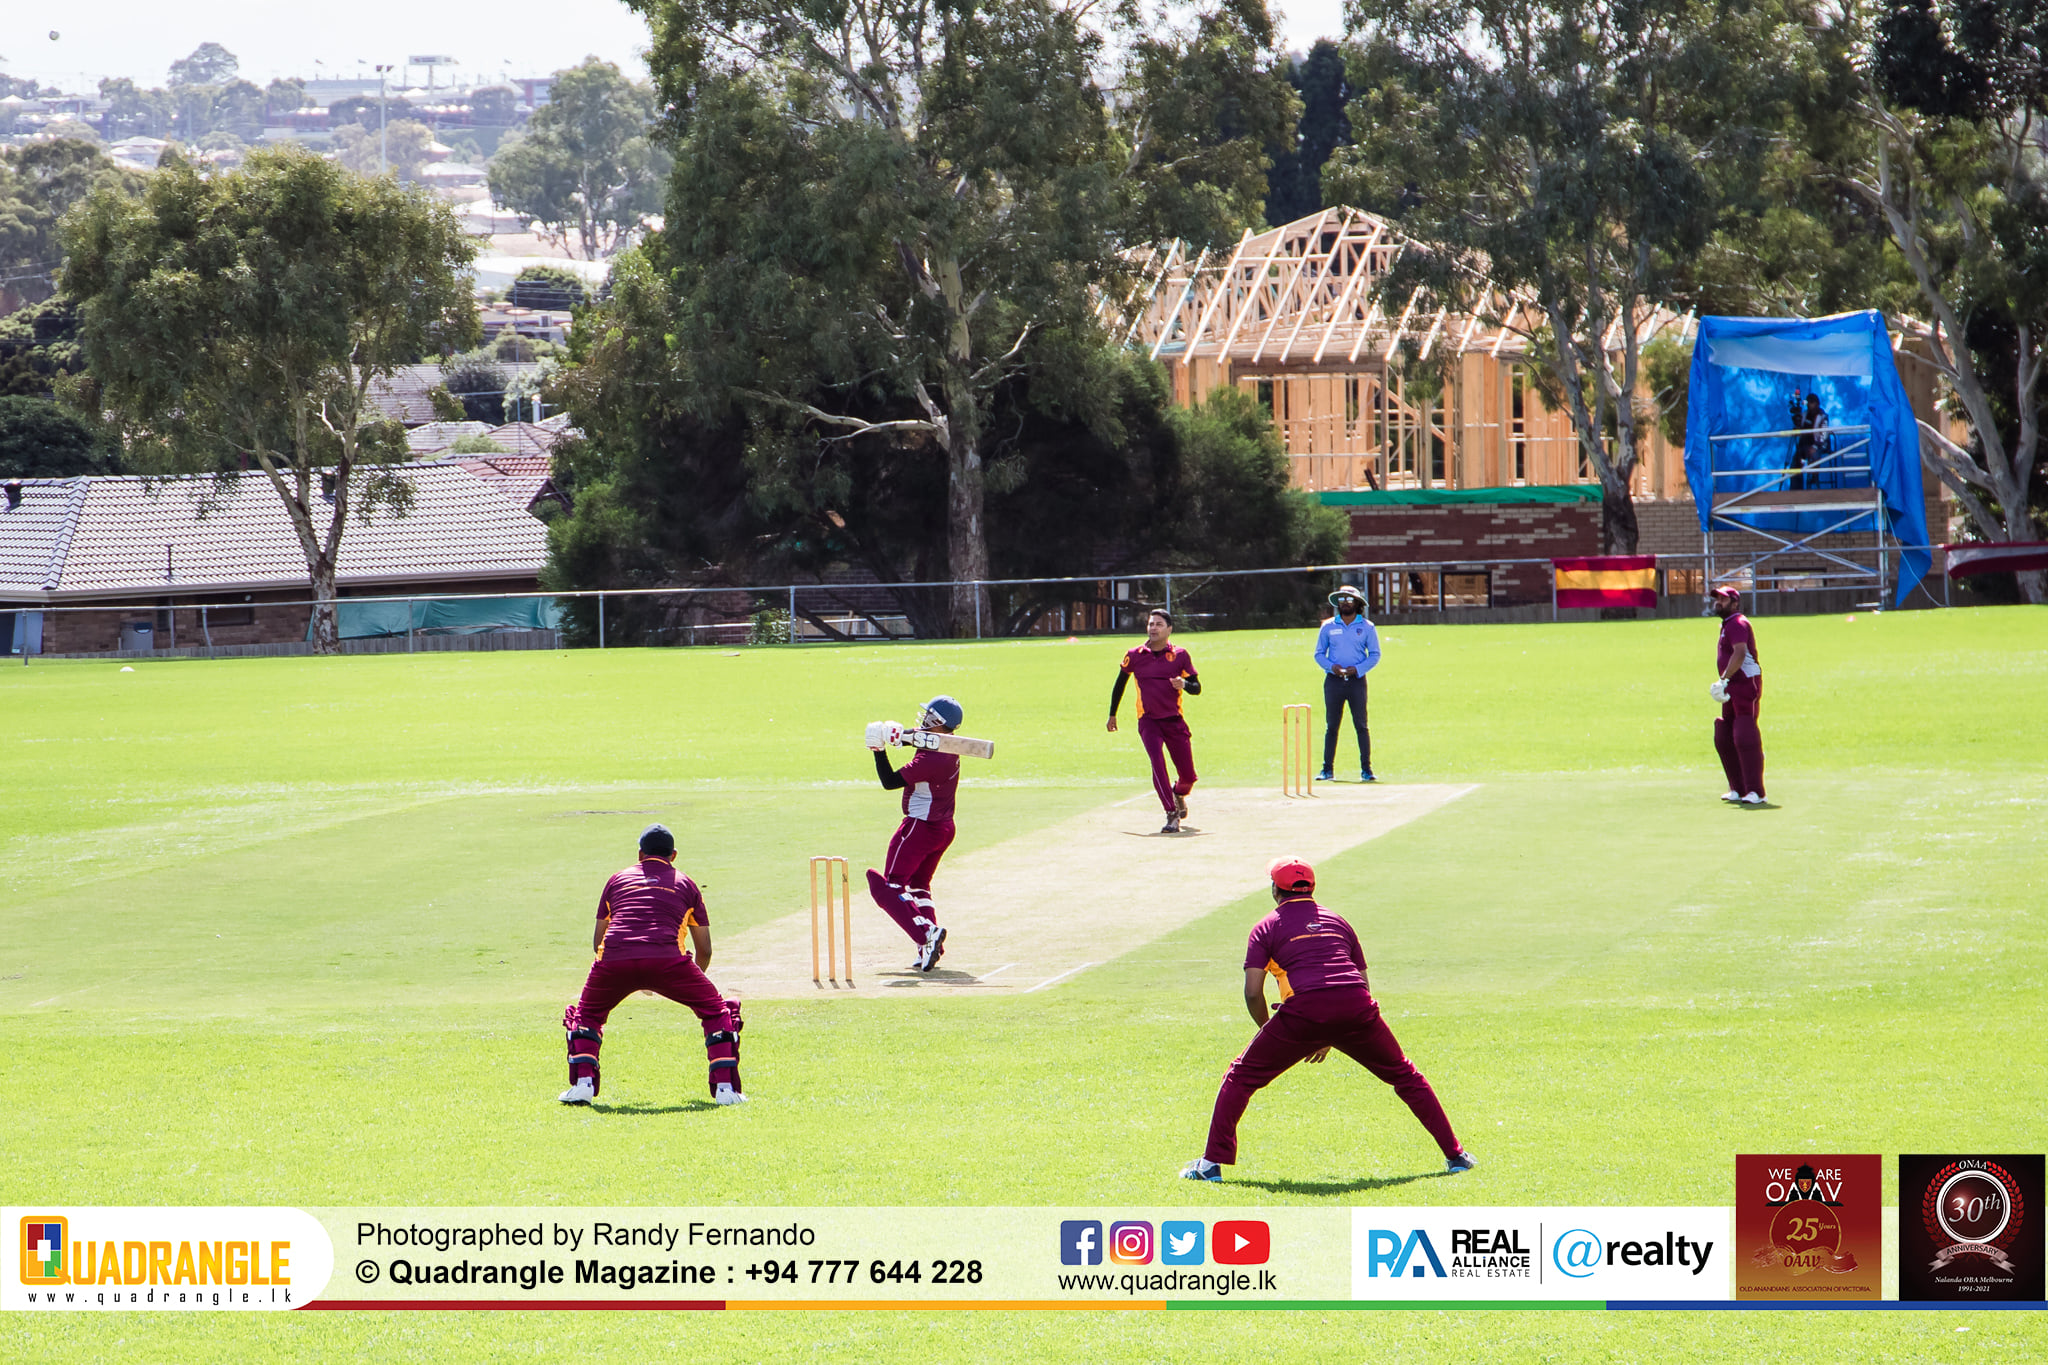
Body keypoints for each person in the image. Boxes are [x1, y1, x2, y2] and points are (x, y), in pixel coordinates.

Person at [1181, 856, 1473, 1181]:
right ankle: (1457, 1156)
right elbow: (1362, 982)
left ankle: (1210, 1165)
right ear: (1312, 887)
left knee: (1239, 1078)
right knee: (1406, 1077)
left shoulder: (1266, 926)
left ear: (1275, 889)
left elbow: (1253, 992)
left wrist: (1273, 1032)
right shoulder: (1338, 921)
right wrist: (1331, 1033)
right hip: (1356, 1006)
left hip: (1305, 1010)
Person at [559, 824, 745, 1107]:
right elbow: (705, 949)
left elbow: (599, 941)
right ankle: (725, 1090)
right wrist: (683, 981)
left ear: (640, 854)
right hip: (668, 960)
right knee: (717, 1011)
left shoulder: (617, 880)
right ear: (674, 855)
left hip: (614, 958)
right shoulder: (686, 883)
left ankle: (582, 1085)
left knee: (587, 1014)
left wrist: (634, 977)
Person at [866, 695, 964, 973]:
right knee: (919, 885)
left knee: (889, 886)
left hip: (920, 828)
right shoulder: (947, 746)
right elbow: (920, 738)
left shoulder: (930, 760)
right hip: (944, 828)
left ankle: (926, 935)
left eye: (929, 716)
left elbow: (889, 782)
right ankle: (929, 947)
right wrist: (896, 735)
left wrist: (878, 749)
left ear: (939, 722)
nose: (924, 719)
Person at [1107, 608, 1201, 833]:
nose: (1153, 628)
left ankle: (1178, 793)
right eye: (1151, 624)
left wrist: (1184, 684)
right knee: (1157, 762)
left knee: (1188, 776)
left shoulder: (1180, 655)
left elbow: (1197, 687)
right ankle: (1171, 813)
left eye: (1159, 624)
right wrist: (1112, 714)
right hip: (1148, 721)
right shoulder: (1135, 654)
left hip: (1174, 720)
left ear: (1169, 629)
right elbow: (1120, 683)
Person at [1313, 584, 1380, 782]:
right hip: (1333, 681)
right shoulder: (1328, 626)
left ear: (1357, 603)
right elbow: (1319, 654)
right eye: (1342, 600)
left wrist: (1357, 669)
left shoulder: (1367, 627)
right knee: (1332, 726)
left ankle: (1366, 770)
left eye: (1349, 600)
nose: (1345, 603)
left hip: (1356, 681)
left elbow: (1374, 654)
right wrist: (1331, 667)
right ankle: (1327, 770)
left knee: (1361, 725)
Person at [1709, 586, 1767, 805]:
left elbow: (1740, 653)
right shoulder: (1727, 624)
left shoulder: (1737, 623)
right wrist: (1725, 682)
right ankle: (1737, 787)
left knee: (1744, 732)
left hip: (1745, 683)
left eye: (1723, 600)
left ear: (1734, 603)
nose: (1718, 602)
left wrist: (1724, 679)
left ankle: (1756, 791)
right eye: (1717, 599)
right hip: (1732, 684)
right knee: (1724, 734)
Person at [1787, 390, 1827, 491]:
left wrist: (1815, 446)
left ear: (1817, 404)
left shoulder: (1823, 416)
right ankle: (1796, 489)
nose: (1809, 405)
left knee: (1814, 456)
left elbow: (1824, 434)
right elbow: (1799, 427)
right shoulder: (1805, 414)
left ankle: (1814, 482)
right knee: (1795, 463)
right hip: (1803, 445)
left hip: (1817, 446)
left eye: (1811, 402)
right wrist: (1796, 419)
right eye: (1808, 402)